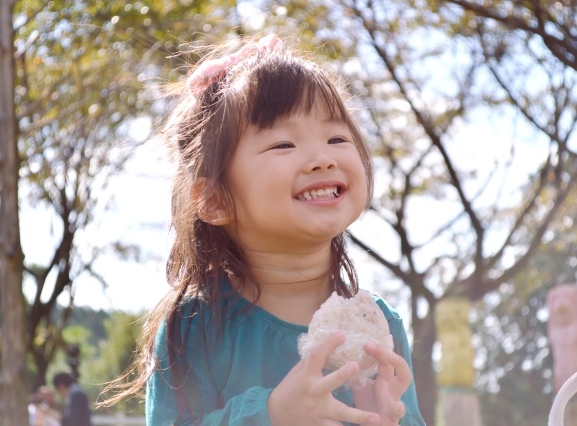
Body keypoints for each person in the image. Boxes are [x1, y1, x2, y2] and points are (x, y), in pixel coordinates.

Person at [110, 33, 425, 425]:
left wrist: (384, 417)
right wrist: (272, 414)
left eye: (337, 137)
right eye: (283, 145)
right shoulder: (197, 326)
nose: (322, 158)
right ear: (214, 201)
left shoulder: (380, 323)